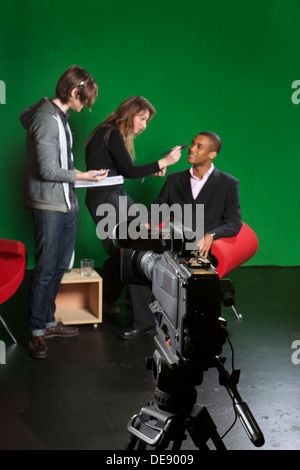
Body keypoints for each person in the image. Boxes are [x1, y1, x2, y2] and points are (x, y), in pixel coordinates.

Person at [118, 131, 242, 339]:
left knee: (193, 271)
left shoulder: (228, 184)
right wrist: (145, 225)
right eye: (192, 144)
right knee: (135, 255)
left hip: (201, 249)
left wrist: (211, 234)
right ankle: (144, 322)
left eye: (199, 146)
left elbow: (234, 222)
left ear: (212, 154)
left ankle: (196, 326)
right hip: (171, 241)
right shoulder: (175, 180)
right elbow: (158, 208)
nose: (192, 149)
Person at [20, 66, 108, 359]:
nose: (85, 108)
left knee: (59, 267)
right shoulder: (46, 119)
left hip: (67, 202)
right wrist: (84, 175)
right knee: (45, 269)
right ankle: (36, 332)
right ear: (74, 93)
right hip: (49, 205)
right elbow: (46, 170)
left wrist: (83, 177)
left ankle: (47, 321)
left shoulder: (60, 117)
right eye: (84, 101)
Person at [85, 96, 182, 319]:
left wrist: (152, 169)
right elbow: (130, 171)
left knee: (132, 245)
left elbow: (125, 171)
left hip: (114, 194)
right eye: (142, 119)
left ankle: (115, 300)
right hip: (106, 198)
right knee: (127, 247)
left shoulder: (111, 133)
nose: (144, 126)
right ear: (130, 114)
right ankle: (126, 304)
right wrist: (163, 162)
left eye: (147, 121)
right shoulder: (110, 133)